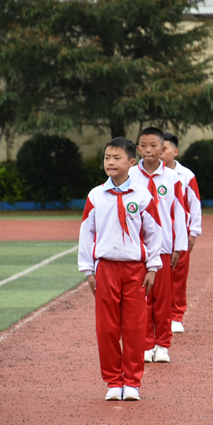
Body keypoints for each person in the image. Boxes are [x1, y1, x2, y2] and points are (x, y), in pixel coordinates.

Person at [78, 137, 162, 401]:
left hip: (136, 271)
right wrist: (88, 270)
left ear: (131, 162)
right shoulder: (96, 196)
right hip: (105, 271)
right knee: (107, 328)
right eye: (107, 158)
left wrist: (153, 267)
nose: (111, 162)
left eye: (117, 158)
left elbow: (154, 233)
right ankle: (113, 381)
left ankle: (133, 382)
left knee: (135, 328)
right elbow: (86, 233)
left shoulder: (143, 196)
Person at [129, 127, 188, 364]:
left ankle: (162, 344)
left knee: (162, 300)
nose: (149, 150)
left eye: (154, 145)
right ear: (138, 148)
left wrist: (178, 246)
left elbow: (179, 213)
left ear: (163, 148)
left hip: (163, 248)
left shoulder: (172, 178)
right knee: (143, 299)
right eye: (144, 145)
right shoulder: (131, 176)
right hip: (138, 248)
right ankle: (145, 343)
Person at [161, 132, 202, 334]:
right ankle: (158, 314)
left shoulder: (186, 176)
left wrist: (193, 232)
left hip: (180, 234)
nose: (159, 152)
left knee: (178, 276)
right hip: (156, 236)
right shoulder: (143, 175)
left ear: (175, 152)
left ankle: (176, 316)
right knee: (157, 275)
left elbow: (194, 205)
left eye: (164, 148)